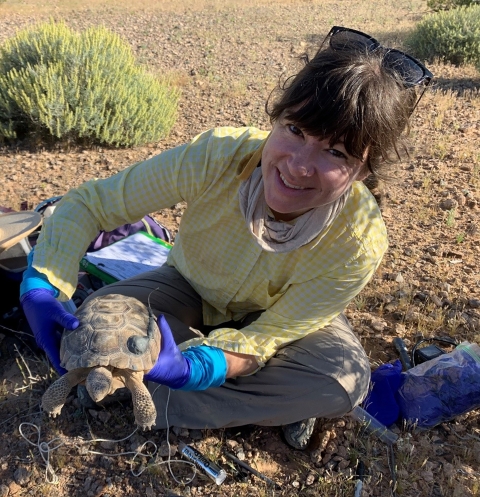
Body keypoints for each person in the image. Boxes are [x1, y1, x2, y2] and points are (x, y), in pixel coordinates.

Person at [19, 26, 433, 450]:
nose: (299, 165)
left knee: (342, 382)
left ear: (364, 170)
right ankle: (258, 403)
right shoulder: (216, 156)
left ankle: (158, 391)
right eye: (295, 130)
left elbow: (268, 334)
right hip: (188, 285)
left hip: (281, 318)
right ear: (277, 118)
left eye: (336, 153)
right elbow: (93, 204)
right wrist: (43, 282)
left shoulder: (359, 241)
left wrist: (204, 366)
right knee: (97, 317)